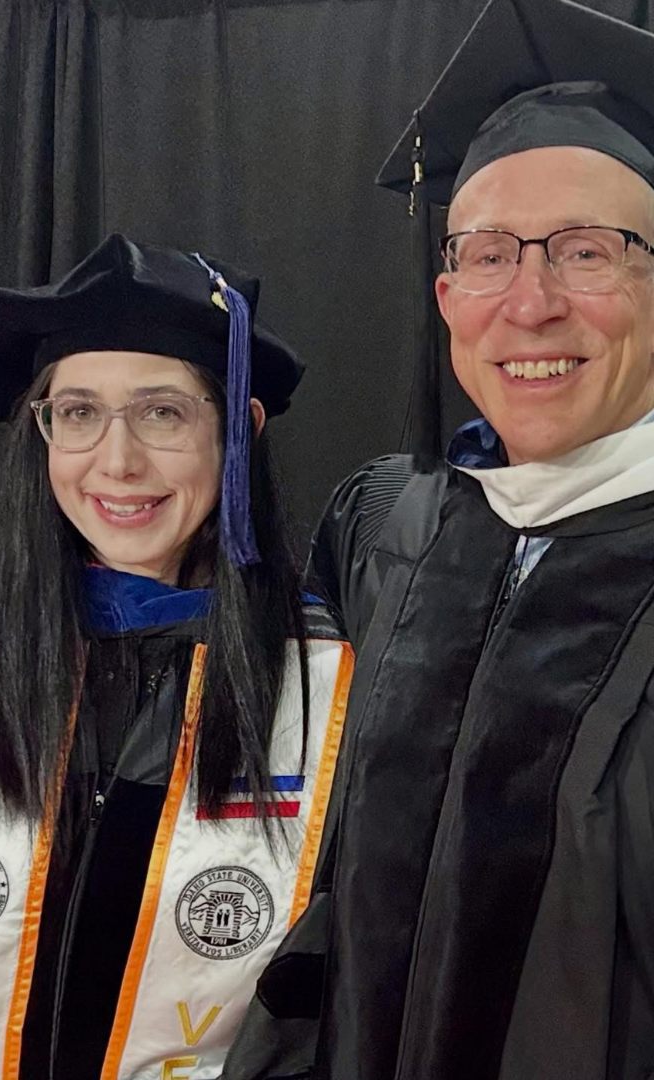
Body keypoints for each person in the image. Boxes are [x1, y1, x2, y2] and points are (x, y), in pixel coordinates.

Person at [224, 0, 654, 1078]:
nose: (531, 301)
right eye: (489, 253)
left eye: (588, 251)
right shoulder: (392, 531)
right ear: (444, 293)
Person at [0, 233, 353, 1080]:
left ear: (241, 432)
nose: (116, 463)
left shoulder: (325, 695)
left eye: (163, 411)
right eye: (78, 412)